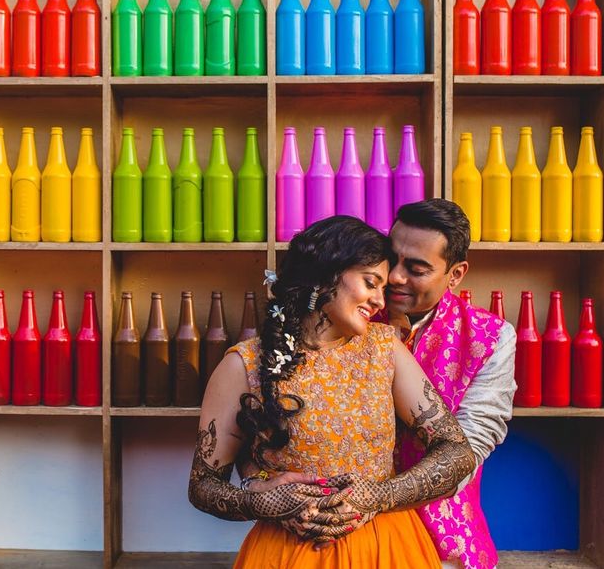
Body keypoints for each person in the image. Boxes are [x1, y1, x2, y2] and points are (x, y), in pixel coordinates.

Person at [189, 216, 476, 568]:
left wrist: (378, 496)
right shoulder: (243, 364)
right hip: (287, 553)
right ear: (325, 275)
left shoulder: (384, 349)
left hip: (386, 549)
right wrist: (262, 502)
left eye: (383, 289)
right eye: (371, 283)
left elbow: (457, 452)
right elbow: (202, 485)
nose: (378, 300)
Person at [382, 199, 517, 569]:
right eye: (390, 258)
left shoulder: (492, 338)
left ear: (455, 274)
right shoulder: (347, 313)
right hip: (343, 531)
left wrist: (375, 498)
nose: (394, 276)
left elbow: (468, 451)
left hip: (443, 541)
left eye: (416, 268)